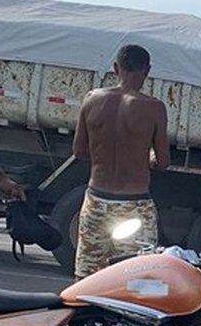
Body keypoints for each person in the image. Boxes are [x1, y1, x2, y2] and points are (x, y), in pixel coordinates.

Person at [72, 44, 170, 278]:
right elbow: (164, 162)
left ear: (116, 68)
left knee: (86, 277)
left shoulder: (91, 99)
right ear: (147, 71)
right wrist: (143, 158)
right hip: (134, 205)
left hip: (96, 200)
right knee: (136, 280)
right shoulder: (154, 109)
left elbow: (79, 151)